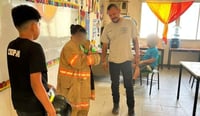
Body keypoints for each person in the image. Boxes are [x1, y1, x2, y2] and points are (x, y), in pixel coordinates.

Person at [7, 5, 56, 116]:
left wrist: (46, 85)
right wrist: (51, 110)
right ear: (34, 26)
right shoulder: (34, 48)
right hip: (34, 107)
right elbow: (36, 84)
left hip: (19, 104)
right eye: (39, 24)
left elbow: (22, 73)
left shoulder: (12, 46)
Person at [101, 4, 140, 116]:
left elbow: (135, 40)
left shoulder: (129, 23)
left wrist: (137, 55)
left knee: (129, 85)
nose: (113, 16)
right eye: (110, 15)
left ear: (119, 11)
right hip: (113, 60)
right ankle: (116, 105)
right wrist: (103, 60)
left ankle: (131, 108)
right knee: (114, 85)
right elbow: (104, 45)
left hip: (127, 59)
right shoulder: (108, 28)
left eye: (114, 13)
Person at [56, 24, 100, 116]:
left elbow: (97, 58)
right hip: (70, 89)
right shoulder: (69, 47)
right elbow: (79, 63)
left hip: (83, 88)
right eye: (79, 36)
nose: (82, 38)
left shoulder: (85, 45)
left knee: (83, 111)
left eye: (83, 36)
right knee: (72, 111)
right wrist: (89, 57)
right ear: (73, 36)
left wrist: (89, 56)